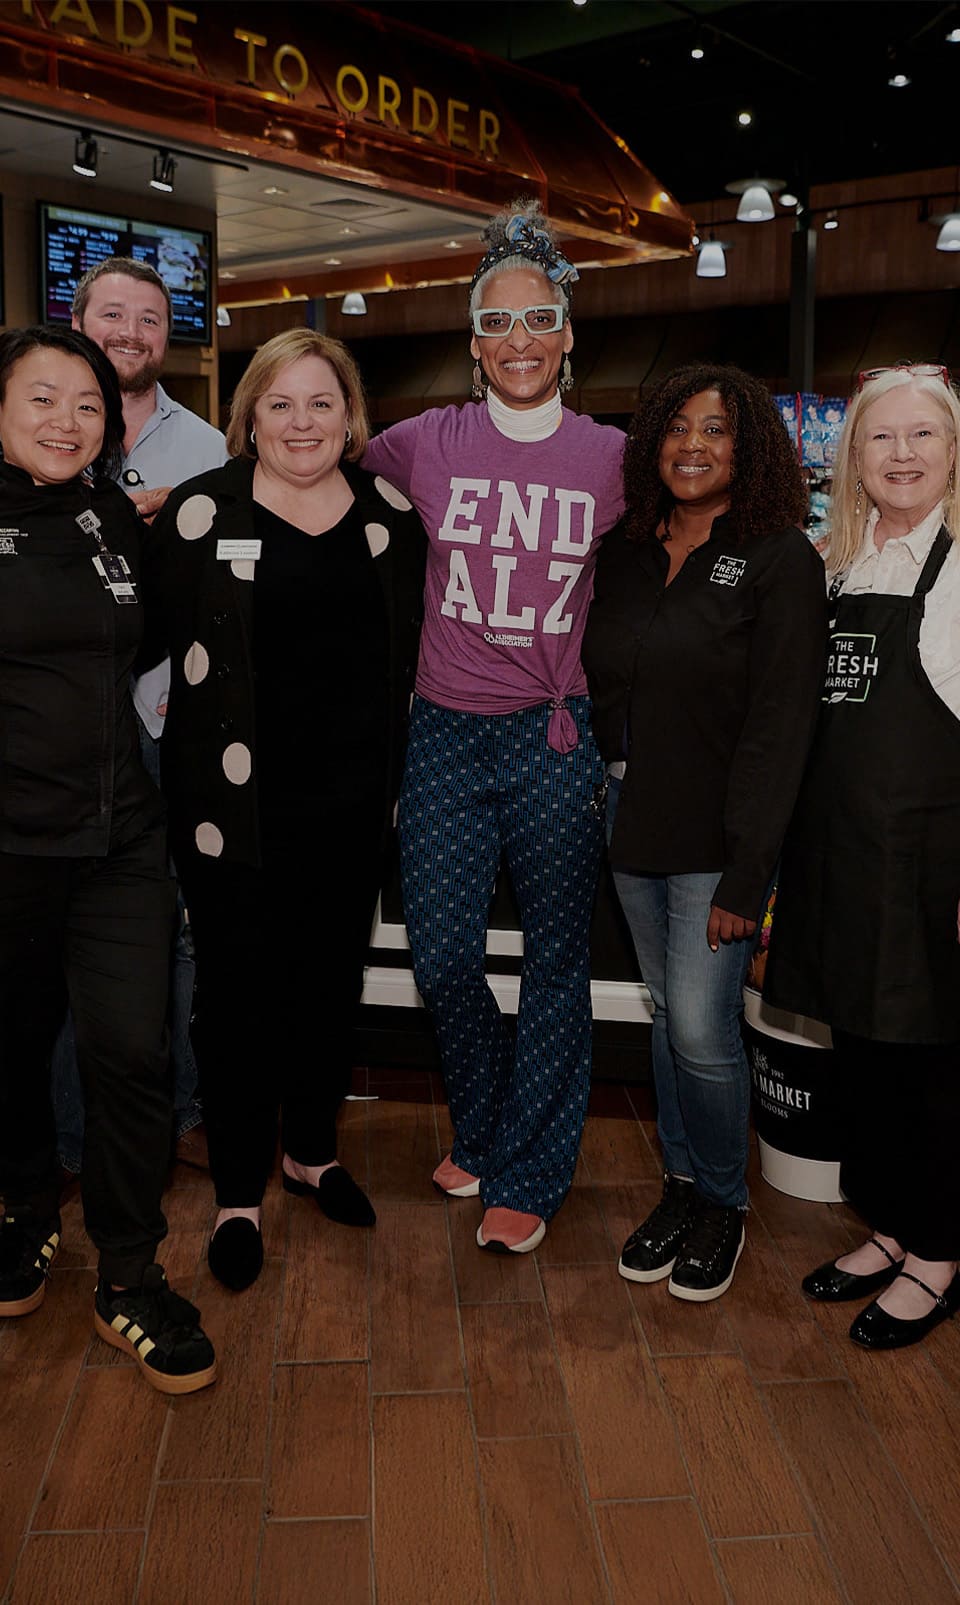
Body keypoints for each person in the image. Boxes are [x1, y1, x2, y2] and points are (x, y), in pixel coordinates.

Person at [363, 199, 625, 1254]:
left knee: (559, 961)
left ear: (566, 336)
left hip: (554, 739)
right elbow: (309, 490)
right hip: (443, 737)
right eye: (499, 322)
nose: (520, 339)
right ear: (475, 344)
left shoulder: (612, 458)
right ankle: (481, 1126)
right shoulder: (419, 443)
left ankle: (532, 1169)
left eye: (539, 319)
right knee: (441, 958)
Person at [142, 328, 425, 1291]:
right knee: (235, 1000)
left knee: (325, 986)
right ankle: (236, 1192)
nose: (301, 422)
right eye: (280, 404)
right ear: (249, 415)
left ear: (349, 415)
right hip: (232, 813)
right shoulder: (197, 514)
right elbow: (152, 642)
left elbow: (407, 657)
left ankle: (310, 1149)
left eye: (320, 403)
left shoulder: (391, 516)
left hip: (351, 807)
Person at [0, 325, 216, 1393]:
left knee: (133, 1052)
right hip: (9, 850)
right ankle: (25, 1210)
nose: (65, 422)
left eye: (85, 405)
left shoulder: (115, 521)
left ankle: (130, 1276)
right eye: (41, 399)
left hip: (125, 836)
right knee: (11, 1048)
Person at [582, 364, 826, 1301]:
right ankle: (681, 1184)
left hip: (719, 839)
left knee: (700, 1024)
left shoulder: (777, 558)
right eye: (677, 427)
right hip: (627, 817)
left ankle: (724, 1200)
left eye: (716, 430)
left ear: (749, 446)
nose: (693, 444)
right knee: (663, 1013)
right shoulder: (628, 550)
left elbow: (780, 728)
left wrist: (747, 875)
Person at [764, 364, 960, 1349]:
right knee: (862, 1059)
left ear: (953, 449)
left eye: (923, 435)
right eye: (883, 437)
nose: (903, 454)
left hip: (924, 875)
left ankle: (937, 1252)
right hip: (840, 864)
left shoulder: (957, 573)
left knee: (925, 1066)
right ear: (852, 457)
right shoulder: (836, 566)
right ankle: (887, 1227)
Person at [52, 257, 228, 1173]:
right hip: (57, 734)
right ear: (76, 318)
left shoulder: (207, 452)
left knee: (180, 926)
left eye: (150, 318)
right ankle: (69, 1141)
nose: (130, 331)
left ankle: (187, 1109)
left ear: (172, 334)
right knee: (69, 939)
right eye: (112, 314)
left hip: (167, 726)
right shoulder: (34, 434)